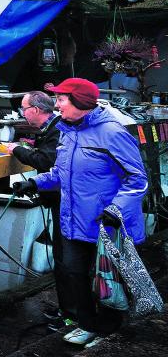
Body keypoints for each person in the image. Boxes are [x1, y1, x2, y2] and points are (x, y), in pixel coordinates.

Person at [12, 78, 148, 347]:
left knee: (108, 279)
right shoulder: (67, 131)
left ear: (80, 102)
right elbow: (61, 174)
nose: (57, 104)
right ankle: (87, 324)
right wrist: (35, 182)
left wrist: (116, 209)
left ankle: (107, 330)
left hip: (105, 225)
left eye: (62, 99)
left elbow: (138, 178)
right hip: (73, 221)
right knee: (75, 274)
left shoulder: (112, 132)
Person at [10, 91, 67, 327]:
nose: (22, 113)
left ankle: (73, 315)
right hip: (60, 199)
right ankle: (68, 309)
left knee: (67, 259)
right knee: (64, 257)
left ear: (34, 109)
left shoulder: (59, 128)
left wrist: (16, 150)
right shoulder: (55, 127)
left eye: (24, 109)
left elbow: (47, 162)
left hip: (67, 203)